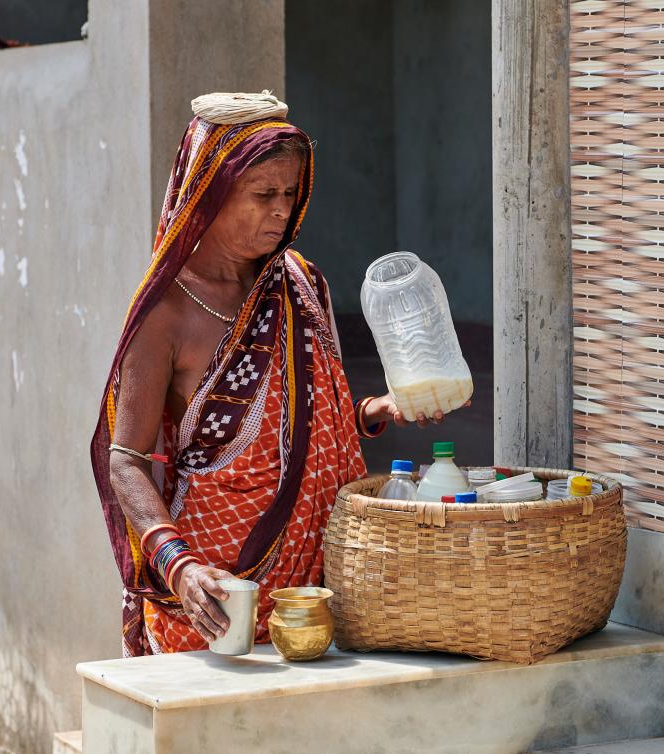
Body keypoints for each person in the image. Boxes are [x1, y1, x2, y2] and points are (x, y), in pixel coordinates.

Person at [91, 92, 455, 657]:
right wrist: (179, 567)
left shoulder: (299, 284)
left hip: (314, 583)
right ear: (208, 196)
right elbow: (126, 460)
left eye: (290, 193)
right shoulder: (167, 312)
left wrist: (367, 412)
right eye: (262, 195)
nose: (282, 210)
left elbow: (302, 416)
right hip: (215, 596)